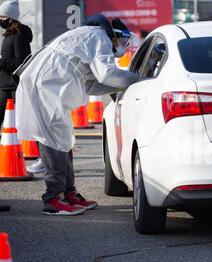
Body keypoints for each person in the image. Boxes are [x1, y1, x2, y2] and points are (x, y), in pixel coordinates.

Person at [15, 15, 140, 216]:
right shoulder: (101, 37)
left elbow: (91, 84)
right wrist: (138, 80)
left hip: (49, 86)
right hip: (44, 88)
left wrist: (122, 86)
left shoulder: (92, 36)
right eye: (123, 41)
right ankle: (53, 199)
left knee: (63, 140)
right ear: (115, 36)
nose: (123, 47)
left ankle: (67, 191)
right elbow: (107, 74)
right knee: (54, 141)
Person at [0, 0, 32, 127]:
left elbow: (21, 61)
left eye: (3, 17)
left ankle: (31, 144)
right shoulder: (8, 34)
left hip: (15, 85)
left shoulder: (19, 35)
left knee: (23, 120)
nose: (0, 19)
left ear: (11, 18)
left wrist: (1, 62)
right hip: (4, 84)